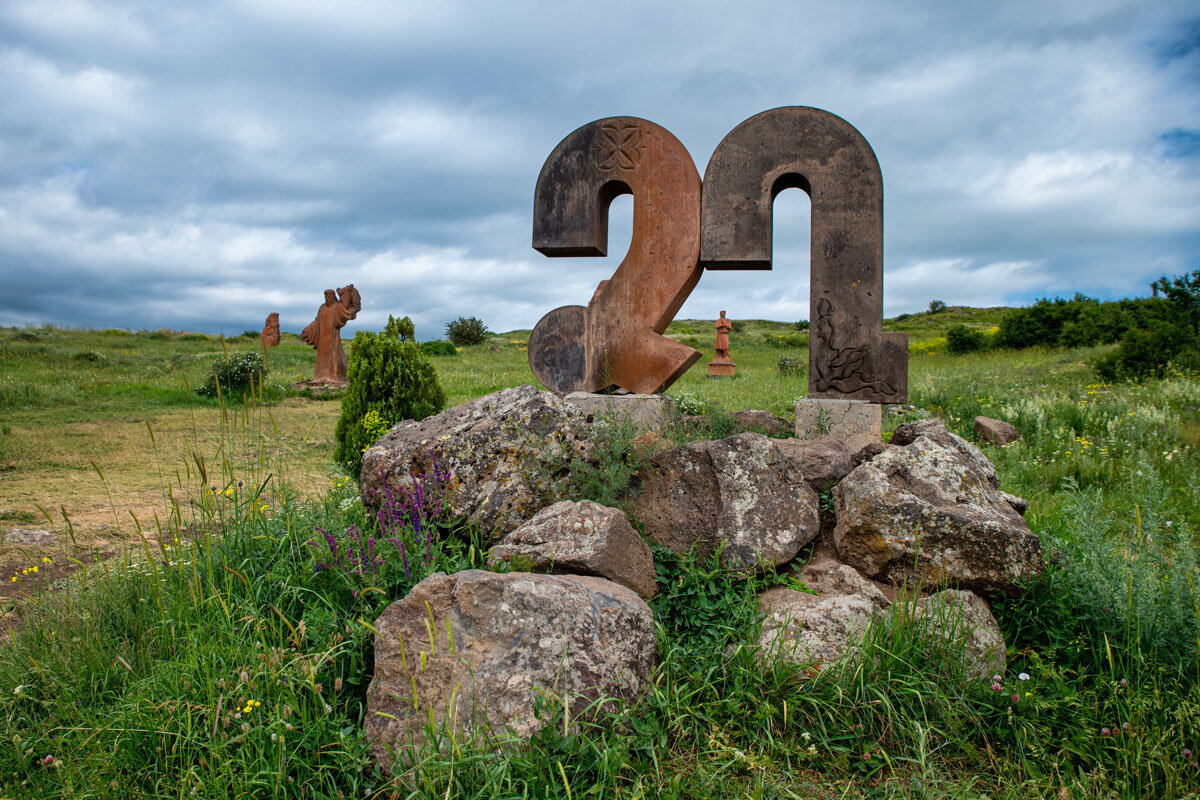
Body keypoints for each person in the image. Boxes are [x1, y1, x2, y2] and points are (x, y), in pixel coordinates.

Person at [300, 284, 361, 384]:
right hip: (322, 340)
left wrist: (348, 294)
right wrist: (309, 329)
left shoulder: (337, 306)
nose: (327, 297)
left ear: (333, 296)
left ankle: (335, 377)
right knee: (323, 358)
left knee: (335, 357)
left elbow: (344, 312)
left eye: (329, 295)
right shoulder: (322, 308)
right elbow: (317, 321)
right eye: (326, 295)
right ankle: (321, 377)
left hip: (333, 338)